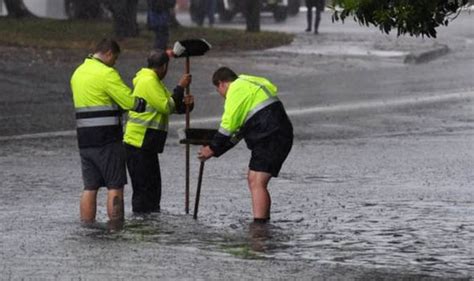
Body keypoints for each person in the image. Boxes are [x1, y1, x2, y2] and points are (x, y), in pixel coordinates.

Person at [198, 67, 293, 223]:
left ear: (222, 84)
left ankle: (260, 226)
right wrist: (216, 151)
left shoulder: (235, 91)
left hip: (269, 135)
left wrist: (211, 148)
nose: (221, 95)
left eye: (218, 90)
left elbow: (227, 127)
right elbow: (237, 134)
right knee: (254, 178)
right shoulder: (250, 82)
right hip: (277, 132)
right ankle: (261, 221)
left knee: (257, 181)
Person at [70, 38, 147, 224]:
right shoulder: (106, 74)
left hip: (85, 139)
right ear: (109, 53)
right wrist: (140, 103)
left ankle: (87, 225)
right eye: (115, 58)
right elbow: (129, 102)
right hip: (107, 140)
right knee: (115, 185)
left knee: (90, 186)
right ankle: (116, 225)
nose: (115, 62)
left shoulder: (78, 73)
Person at [123, 49, 193, 214]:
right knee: (144, 189)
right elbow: (166, 106)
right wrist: (180, 87)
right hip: (138, 143)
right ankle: (141, 224)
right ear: (163, 66)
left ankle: (150, 222)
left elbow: (170, 104)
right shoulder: (148, 81)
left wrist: (186, 106)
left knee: (153, 188)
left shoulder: (153, 81)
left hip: (148, 144)